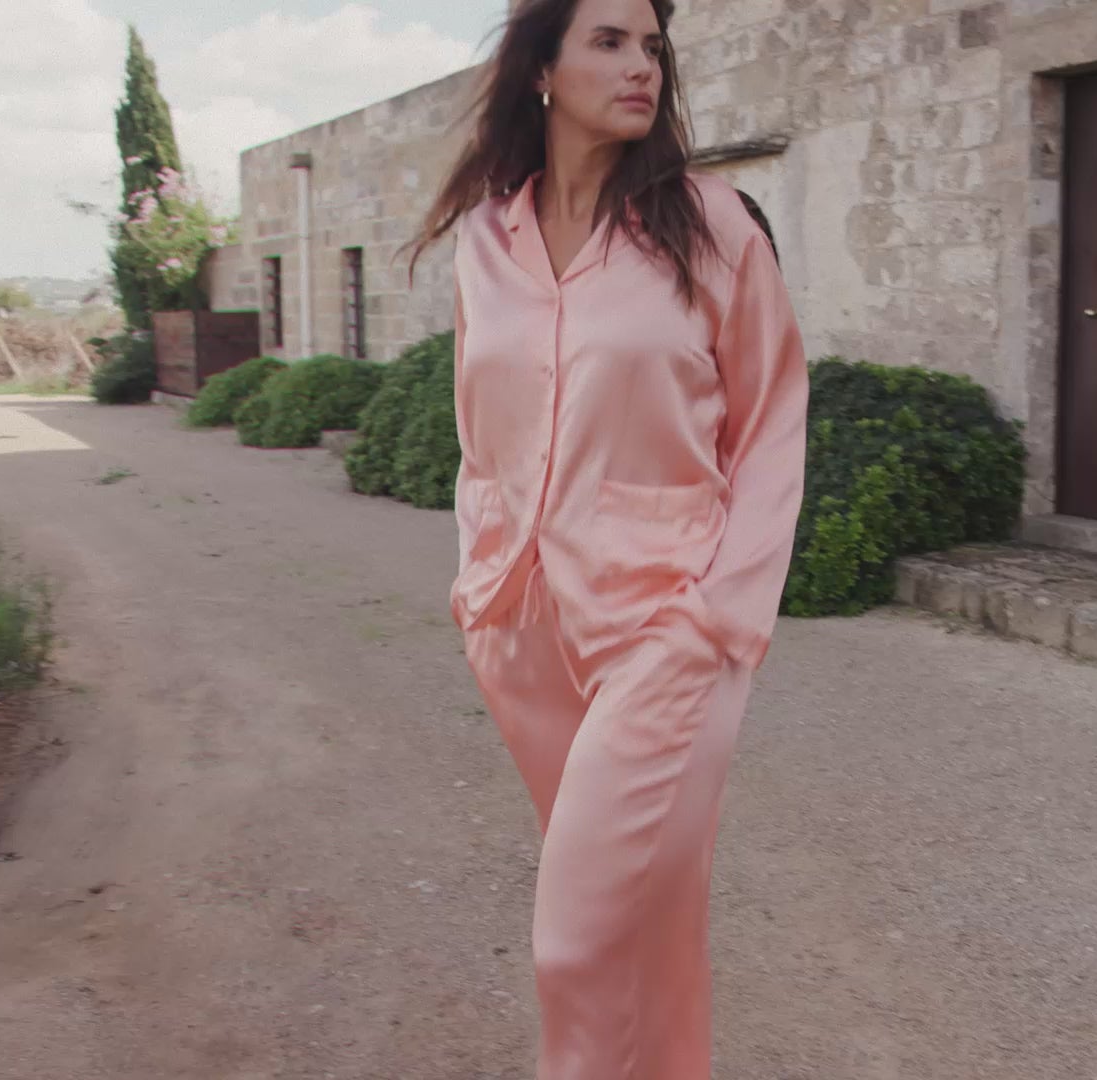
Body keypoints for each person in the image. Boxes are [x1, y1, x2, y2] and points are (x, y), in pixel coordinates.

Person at [408, 0, 807, 1075]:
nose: (643, 67)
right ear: (542, 68)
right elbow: (480, 432)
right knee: (645, 919)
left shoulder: (712, 225)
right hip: (522, 626)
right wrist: (481, 574)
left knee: (575, 942)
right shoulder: (486, 241)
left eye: (654, 47)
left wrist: (716, 619)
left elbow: (772, 422)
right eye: (611, 41)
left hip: (666, 627)